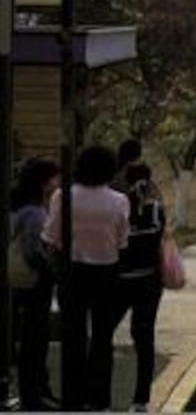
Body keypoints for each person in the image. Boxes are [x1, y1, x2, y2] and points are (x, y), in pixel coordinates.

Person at [42, 145, 130, 410]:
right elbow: (122, 240)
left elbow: (50, 237)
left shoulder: (63, 196)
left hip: (72, 272)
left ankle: (73, 397)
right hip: (106, 271)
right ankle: (100, 398)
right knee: (103, 338)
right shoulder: (119, 200)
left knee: (73, 337)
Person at [110, 163, 167, 412]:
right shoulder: (155, 208)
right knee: (144, 340)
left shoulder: (118, 205)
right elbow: (157, 236)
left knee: (103, 334)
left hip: (120, 281)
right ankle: (141, 400)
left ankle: (99, 393)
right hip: (148, 281)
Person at [10, 158, 60, 411]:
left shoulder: (25, 208)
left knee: (33, 341)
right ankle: (33, 396)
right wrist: (50, 269)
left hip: (25, 285)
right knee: (34, 342)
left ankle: (40, 391)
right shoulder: (34, 212)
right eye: (53, 179)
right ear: (43, 183)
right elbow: (32, 250)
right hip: (33, 285)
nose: (57, 184)